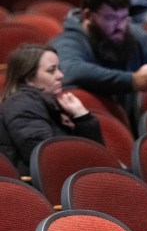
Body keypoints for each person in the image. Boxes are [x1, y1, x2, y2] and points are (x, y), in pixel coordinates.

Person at [0, 44, 103, 175]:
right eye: (51, 70)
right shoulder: (22, 104)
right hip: (44, 186)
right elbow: (48, 157)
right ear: (30, 79)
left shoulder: (45, 104)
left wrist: (81, 117)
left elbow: (94, 153)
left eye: (59, 69)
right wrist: (82, 119)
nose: (60, 75)